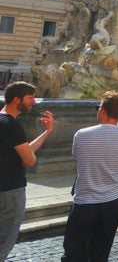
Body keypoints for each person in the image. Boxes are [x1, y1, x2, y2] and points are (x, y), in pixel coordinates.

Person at [63, 91, 118, 261]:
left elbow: (79, 163)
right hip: (112, 202)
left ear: (103, 110)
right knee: (101, 252)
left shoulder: (81, 134)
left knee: (74, 251)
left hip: (84, 201)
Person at [0, 82, 55, 260]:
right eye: (30, 98)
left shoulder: (3, 121)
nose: (34, 102)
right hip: (10, 191)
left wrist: (47, 132)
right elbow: (29, 159)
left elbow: (22, 151)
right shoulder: (12, 125)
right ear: (17, 100)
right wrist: (28, 159)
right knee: (5, 239)